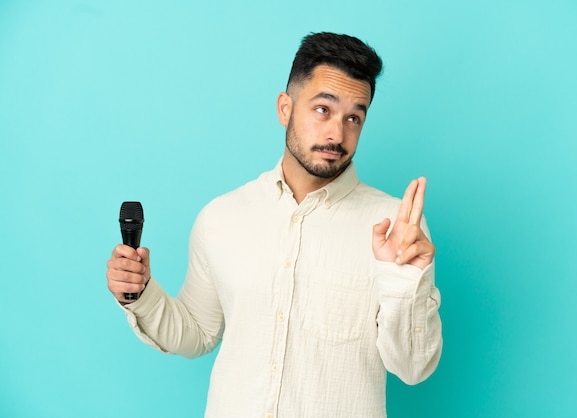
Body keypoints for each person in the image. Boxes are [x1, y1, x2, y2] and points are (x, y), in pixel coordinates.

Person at [106, 32, 442, 418]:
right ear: (285, 108)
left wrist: (404, 285)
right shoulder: (222, 217)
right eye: (322, 110)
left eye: (354, 117)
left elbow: (414, 369)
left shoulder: (395, 227)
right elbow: (197, 332)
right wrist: (141, 293)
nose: (338, 133)